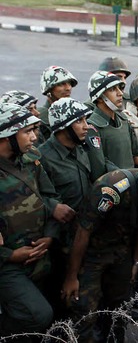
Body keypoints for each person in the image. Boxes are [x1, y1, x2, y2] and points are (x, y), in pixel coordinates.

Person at [62, 156, 138, 343]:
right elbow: (82, 233)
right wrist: (72, 277)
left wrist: (137, 262)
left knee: (120, 305)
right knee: (84, 309)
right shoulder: (110, 189)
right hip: (92, 253)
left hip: (120, 250)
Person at [38, 97, 102, 322]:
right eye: (80, 121)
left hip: (83, 237)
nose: (87, 126)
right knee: (60, 303)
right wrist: (52, 206)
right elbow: (34, 196)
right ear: (63, 126)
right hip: (58, 244)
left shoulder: (81, 149)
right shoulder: (42, 157)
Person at [0, 103, 60, 343]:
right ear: (6, 135)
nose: (35, 137)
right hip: (8, 263)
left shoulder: (32, 157)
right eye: (27, 131)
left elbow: (50, 197)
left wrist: (50, 236)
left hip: (38, 255)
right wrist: (9, 255)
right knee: (38, 315)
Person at [86, 71, 138, 170]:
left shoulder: (123, 120)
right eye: (112, 89)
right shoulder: (93, 127)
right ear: (100, 97)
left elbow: (136, 153)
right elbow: (98, 168)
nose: (120, 93)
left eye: (119, 88)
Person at [38, 66, 78, 142]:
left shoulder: (75, 112)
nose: (68, 88)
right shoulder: (41, 117)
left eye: (69, 83)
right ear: (49, 90)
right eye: (61, 84)